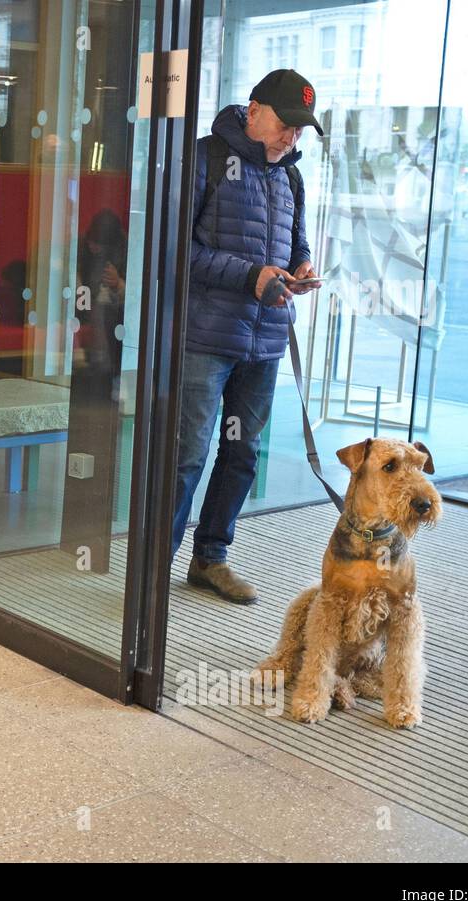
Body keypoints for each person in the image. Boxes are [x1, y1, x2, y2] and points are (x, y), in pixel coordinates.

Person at [172, 69, 324, 603]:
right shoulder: (206, 158)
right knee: (186, 454)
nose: (291, 139)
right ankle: (155, 563)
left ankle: (210, 559)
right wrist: (248, 276)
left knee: (242, 454)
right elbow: (174, 251)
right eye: (286, 125)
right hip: (204, 337)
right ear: (254, 110)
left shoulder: (291, 178)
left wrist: (300, 268)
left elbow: (294, 241)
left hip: (264, 341)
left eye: (301, 132)